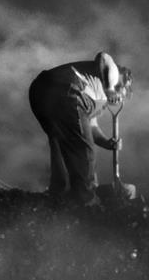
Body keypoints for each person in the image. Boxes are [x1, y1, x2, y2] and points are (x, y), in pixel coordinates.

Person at [28, 51, 132, 203]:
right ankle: (86, 202)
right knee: (83, 150)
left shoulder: (96, 97)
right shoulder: (112, 76)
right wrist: (110, 89)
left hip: (41, 91)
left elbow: (89, 128)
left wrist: (106, 142)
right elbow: (104, 56)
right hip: (69, 90)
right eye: (125, 90)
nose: (122, 96)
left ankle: (59, 194)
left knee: (60, 142)